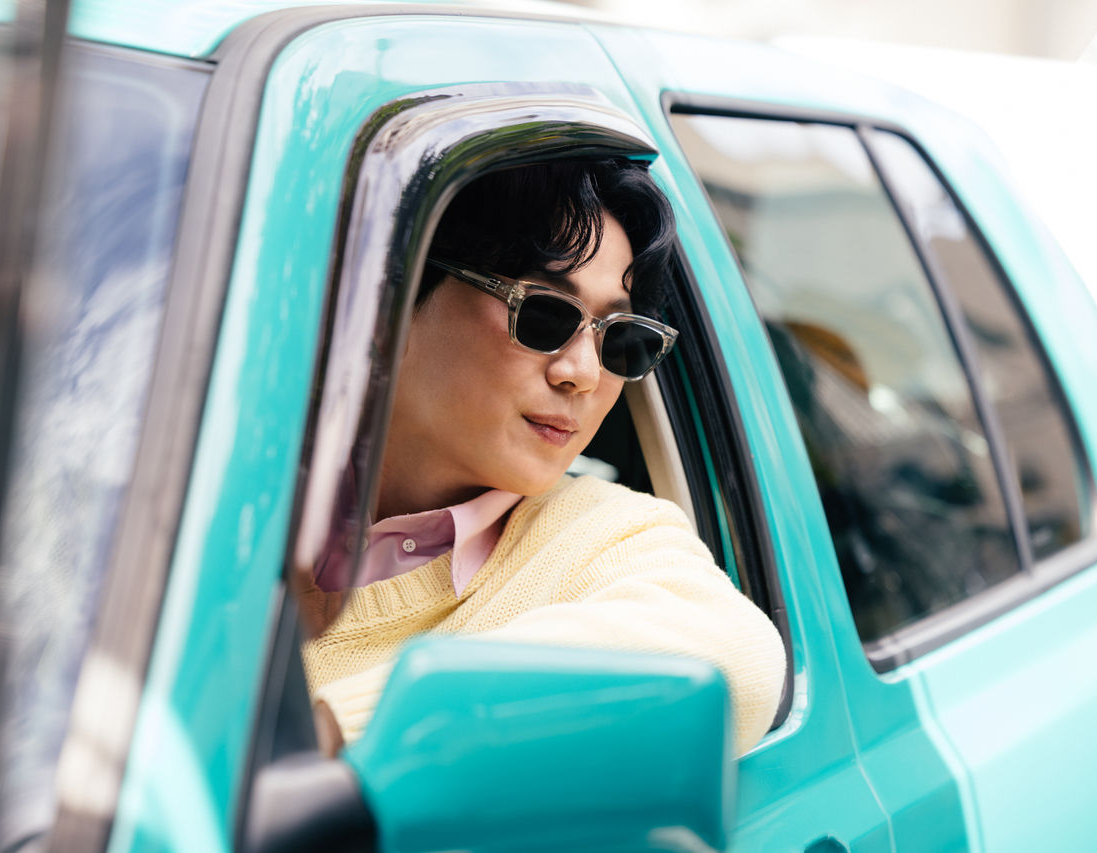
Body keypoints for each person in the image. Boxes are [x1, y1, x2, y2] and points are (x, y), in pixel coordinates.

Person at [299, 157, 785, 756]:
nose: (583, 373)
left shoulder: (605, 534)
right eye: (544, 313)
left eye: (619, 337)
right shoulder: (235, 489)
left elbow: (738, 661)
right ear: (384, 307)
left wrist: (322, 734)